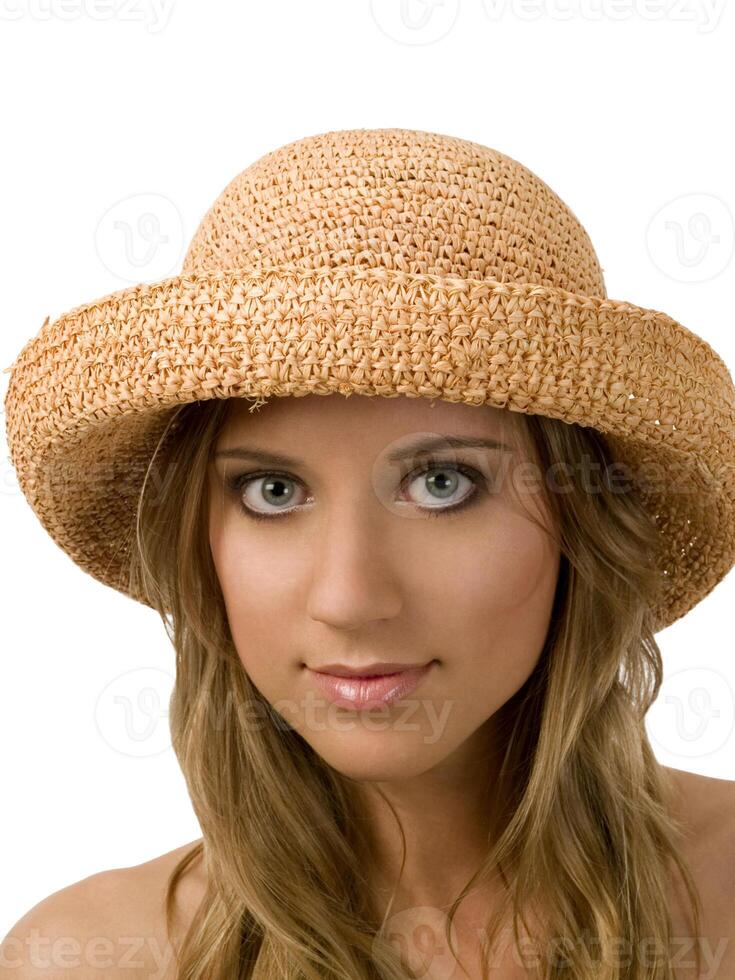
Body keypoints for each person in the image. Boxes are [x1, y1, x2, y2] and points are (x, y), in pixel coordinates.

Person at [2, 127, 735, 979]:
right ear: (199, 543)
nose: (349, 598)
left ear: (584, 515)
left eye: (442, 485)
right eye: (272, 492)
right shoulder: (87, 957)